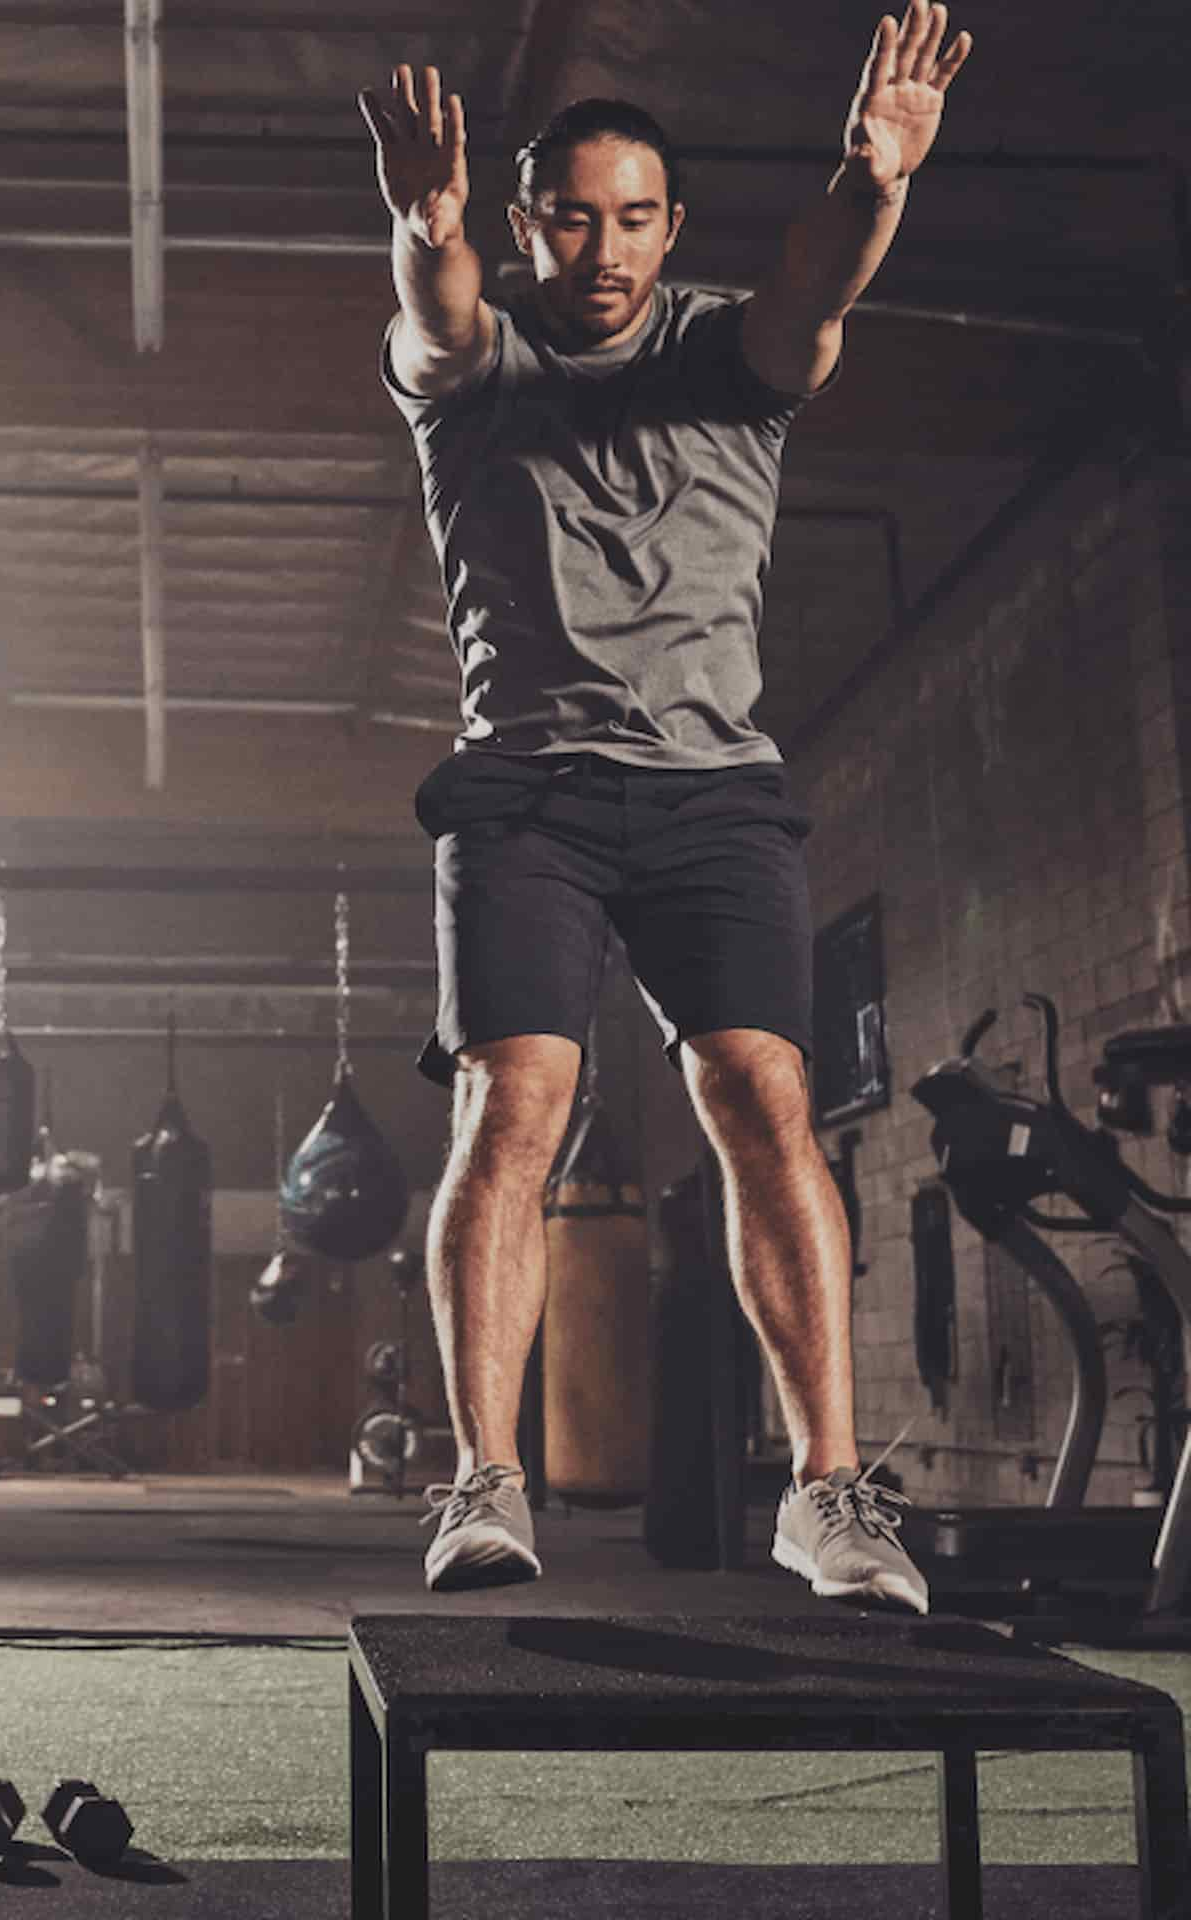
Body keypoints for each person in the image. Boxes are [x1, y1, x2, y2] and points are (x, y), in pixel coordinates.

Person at [358, 2, 972, 1601]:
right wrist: (424, 225)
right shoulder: (477, 367)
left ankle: (827, 1492)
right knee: (516, 1108)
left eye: (633, 217)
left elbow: (818, 287)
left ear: (671, 226)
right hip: (530, 800)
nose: (604, 245)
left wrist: (877, 174)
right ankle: (488, 1484)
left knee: (767, 1095)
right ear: (528, 222)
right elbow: (432, 311)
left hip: (714, 793)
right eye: (570, 214)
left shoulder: (731, 353)